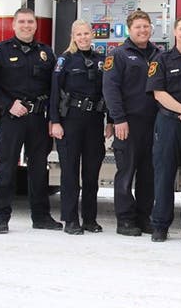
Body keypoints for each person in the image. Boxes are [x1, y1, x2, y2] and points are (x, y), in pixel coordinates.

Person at [0, 7, 61, 233]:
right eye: (22, 22)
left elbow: (54, 87)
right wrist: (8, 104)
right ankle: (1, 217)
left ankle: (41, 217)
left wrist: (53, 117)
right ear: (14, 25)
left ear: (35, 25)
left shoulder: (46, 53)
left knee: (38, 170)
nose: (26, 25)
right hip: (12, 118)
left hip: (37, 120)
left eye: (30, 22)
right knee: (6, 168)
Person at [50, 19, 113, 235]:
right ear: (73, 37)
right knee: (69, 173)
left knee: (91, 174)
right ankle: (70, 219)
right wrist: (55, 121)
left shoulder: (101, 61)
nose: (84, 38)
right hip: (71, 121)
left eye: (87, 34)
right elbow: (54, 92)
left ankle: (89, 219)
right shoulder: (65, 60)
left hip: (94, 121)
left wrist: (111, 121)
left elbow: (109, 93)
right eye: (79, 34)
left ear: (92, 35)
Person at [102, 10, 160, 236]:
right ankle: (125, 220)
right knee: (126, 173)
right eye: (138, 27)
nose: (143, 30)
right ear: (129, 29)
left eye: (146, 26)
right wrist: (119, 119)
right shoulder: (118, 55)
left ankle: (144, 218)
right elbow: (110, 89)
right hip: (128, 124)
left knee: (149, 174)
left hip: (153, 124)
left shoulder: (157, 54)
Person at [146, 15, 181, 242]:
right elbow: (159, 93)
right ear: (175, 32)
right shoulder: (161, 59)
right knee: (164, 176)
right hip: (168, 124)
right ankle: (160, 225)